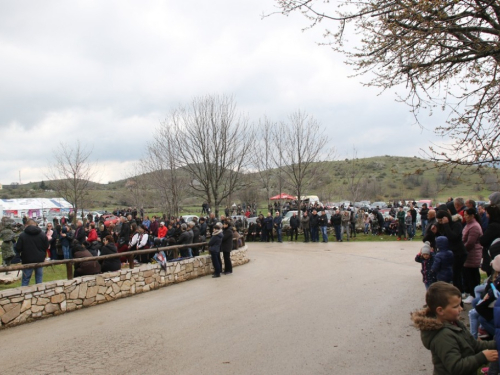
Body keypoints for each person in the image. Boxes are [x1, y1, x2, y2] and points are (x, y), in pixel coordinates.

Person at [411, 282, 497, 375]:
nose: (461, 309)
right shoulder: (443, 336)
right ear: (440, 310)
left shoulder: (454, 323)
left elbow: (473, 345)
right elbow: (456, 367)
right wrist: (482, 357)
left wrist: (496, 343)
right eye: (456, 306)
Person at [433, 209, 467, 293]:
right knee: (454, 275)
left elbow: (452, 237)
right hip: (451, 252)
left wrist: (446, 224)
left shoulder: (457, 224)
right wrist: (436, 233)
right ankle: (457, 292)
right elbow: (445, 238)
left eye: (441, 220)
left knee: (456, 275)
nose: (440, 222)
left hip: (459, 253)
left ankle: (459, 292)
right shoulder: (446, 225)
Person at [16, 219, 49, 286]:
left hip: (27, 259)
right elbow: (47, 246)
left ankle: (23, 294)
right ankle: (39, 293)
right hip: (40, 259)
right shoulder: (42, 234)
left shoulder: (22, 235)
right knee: (39, 279)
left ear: (26, 225)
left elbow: (18, 248)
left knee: (26, 279)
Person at [462, 208, 483, 304]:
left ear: (472, 216)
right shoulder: (469, 225)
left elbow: (470, 242)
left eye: (466, 215)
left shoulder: (474, 226)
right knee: (468, 274)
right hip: (468, 253)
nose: (465, 217)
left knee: (472, 275)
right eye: (464, 215)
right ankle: (470, 292)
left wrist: (463, 250)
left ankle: (473, 294)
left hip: (472, 253)